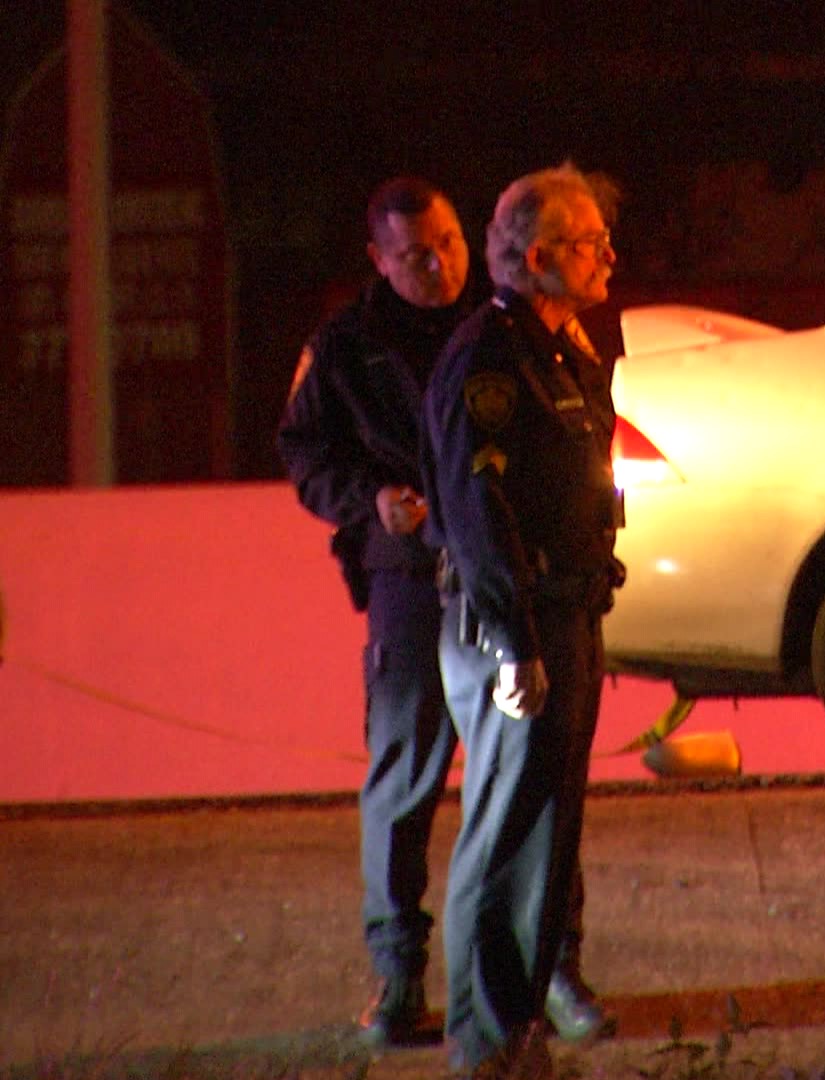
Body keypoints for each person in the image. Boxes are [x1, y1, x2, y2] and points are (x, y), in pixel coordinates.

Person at [421, 163, 624, 1077]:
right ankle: (486, 1041)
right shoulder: (488, 359)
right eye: (588, 244)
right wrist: (514, 642)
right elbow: (478, 511)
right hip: (517, 631)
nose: (608, 256)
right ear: (538, 257)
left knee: (548, 840)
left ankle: (517, 1029)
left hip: (566, 618)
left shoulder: (561, 346)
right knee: (505, 838)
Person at [278, 176, 478, 1048]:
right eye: (412, 255)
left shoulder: (500, 329)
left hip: (509, 573)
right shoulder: (346, 346)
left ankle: (549, 970)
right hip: (410, 578)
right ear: (377, 259)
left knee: (534, 781)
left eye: (447, 243)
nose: (436, 266)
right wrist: (373, 500)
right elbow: (304, 452)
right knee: (405, 775)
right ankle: (399, 978)